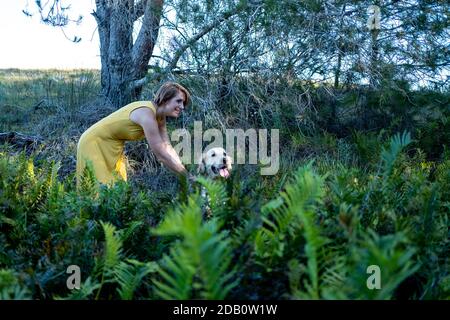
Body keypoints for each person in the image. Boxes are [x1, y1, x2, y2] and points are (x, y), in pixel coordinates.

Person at [76, 82, 194, 190]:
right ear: (165, 99)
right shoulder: (147, 114)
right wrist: (187, 177)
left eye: (183, 103)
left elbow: (167, 148)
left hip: (114, 146)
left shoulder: (160, 118)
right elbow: (161, 154)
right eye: (178, 101)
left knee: (117, 191)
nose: (182, 107)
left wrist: (183, 170)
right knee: (97, 191)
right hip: (94, 143)